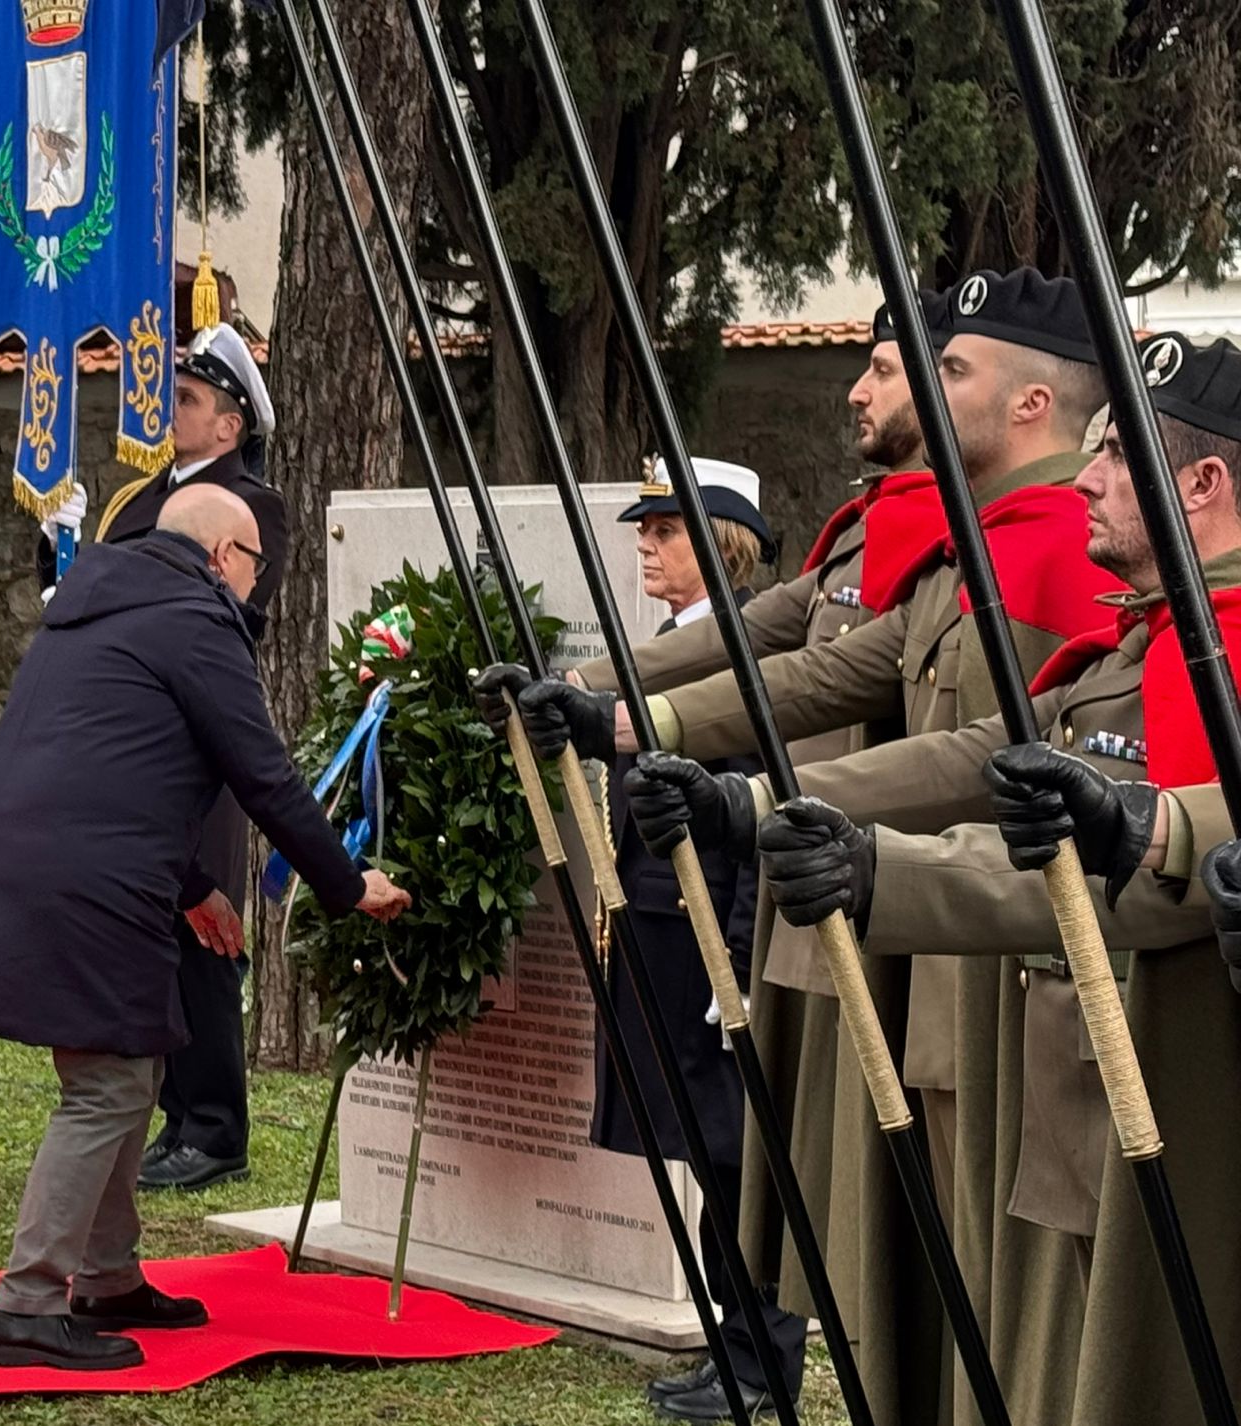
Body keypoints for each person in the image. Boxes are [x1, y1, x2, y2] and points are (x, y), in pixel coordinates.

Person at [500, 268, 1120, 1426]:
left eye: (943, 369)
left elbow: (1006, 750)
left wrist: (786, 803)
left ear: (1030, 404)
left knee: (1008, 1294)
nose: (897, 392)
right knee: (920, 1274)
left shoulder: (1048, 552)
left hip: (988, 966)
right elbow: (823, 658)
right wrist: (622, 710)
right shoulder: (957, 545)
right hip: (918, 945)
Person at [640, 331, 1241, 1426]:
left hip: (1131, 1083)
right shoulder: (1111, 628)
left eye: (1119, 457)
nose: (1089, 482)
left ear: (1200, 482)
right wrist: (726, 778)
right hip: (1042, 1064)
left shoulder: (1195, 642)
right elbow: (945, 738)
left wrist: (875, 868)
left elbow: (1108, 846)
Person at [566, 296, 952, 1424]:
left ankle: (763, 1352)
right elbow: (760, 652)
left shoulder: (946, 541)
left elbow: (830, 700)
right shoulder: (861, 531)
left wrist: (668, 745)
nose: (854, 389)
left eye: (882, 370)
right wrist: (592, 699)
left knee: (767, 1143)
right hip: (781, 868)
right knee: (732, 1146)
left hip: (829, 879)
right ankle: (744, 1347)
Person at [0, 483, 410, 1372]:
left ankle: (105, 1274)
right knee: (106, 1083)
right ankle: (25, 1303)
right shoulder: (194, 617)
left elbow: (113, 765)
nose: (259, 587)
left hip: (48, 851)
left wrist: (195, 887)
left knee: (132, 1051)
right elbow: (264, 774)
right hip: (91, 869)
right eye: (256, 567)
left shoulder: (96, 603)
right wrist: (343, 882)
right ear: (221, 559)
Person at [479, 459, 804, 1423]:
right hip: (659, 932)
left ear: (721, 544)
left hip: (710, 934)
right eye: (647, 530)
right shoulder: (661, 649)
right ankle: (729, 1341)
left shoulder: (735, 661)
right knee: (703, 1153)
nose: (646, 546)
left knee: (739, 1153)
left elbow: (750, 812)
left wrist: (736, 959)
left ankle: (762, 1358)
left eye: (666, 531)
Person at [39, 321, 292, 1193]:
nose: (169, 408)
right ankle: (174, 1117)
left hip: (197, 743)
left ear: (230, 424)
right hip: (133, 744)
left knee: (207, 927)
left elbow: (236, 618)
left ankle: (216, 1125)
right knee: (155, 924)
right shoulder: (137, 501)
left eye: (188, 399)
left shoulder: (251, 506)